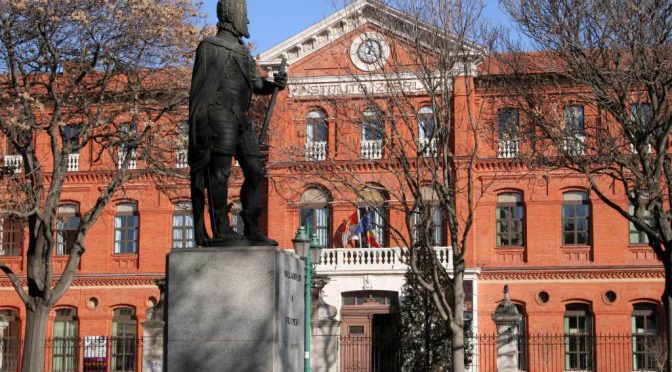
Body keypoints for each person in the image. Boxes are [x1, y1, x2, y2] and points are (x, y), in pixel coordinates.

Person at [188, 0, 286, 246]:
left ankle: (251, 226)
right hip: (218, 115)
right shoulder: (210, 47)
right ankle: (221, 227)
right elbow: (199, 88)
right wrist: (200, 125)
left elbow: (256, 84)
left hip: (240, 119)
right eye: (245, 15)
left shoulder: (243, 51)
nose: (248, 21)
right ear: (232, 15)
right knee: (220, 173)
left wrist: (274, 84)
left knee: (255, 170)